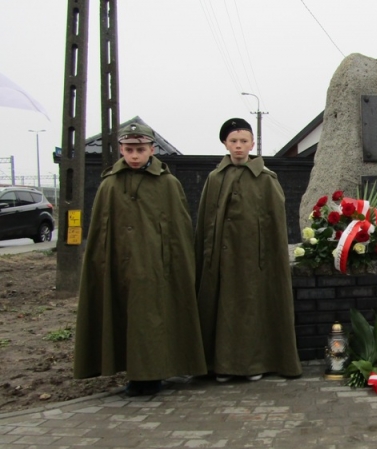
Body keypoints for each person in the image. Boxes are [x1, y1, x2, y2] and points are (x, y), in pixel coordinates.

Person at [74, 122, 207, 396]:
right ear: (121, 149)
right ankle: (131, 372)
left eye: (140, 149)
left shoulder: (168, 184)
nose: (134, 155)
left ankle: (151, 375)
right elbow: (100, 233)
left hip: (157, 268)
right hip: (119, 267)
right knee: (124, 317)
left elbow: (179, 231)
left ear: (152, 150)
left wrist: (176, 267)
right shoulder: (109, 184)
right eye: (129, 149)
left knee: (151, 319)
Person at [195, 118, 302, 382]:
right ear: (225, 144)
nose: (239, 146)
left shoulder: (266, 179)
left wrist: (267, 256)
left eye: (244, 141)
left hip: (256, 261)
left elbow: (275, 225)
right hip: (221, 260)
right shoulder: (215, 178)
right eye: (233, 141)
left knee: (254, 308)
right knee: (223, 310)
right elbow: (205, 221)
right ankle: (221, 365)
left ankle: (255, 364)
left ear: (253, 143)